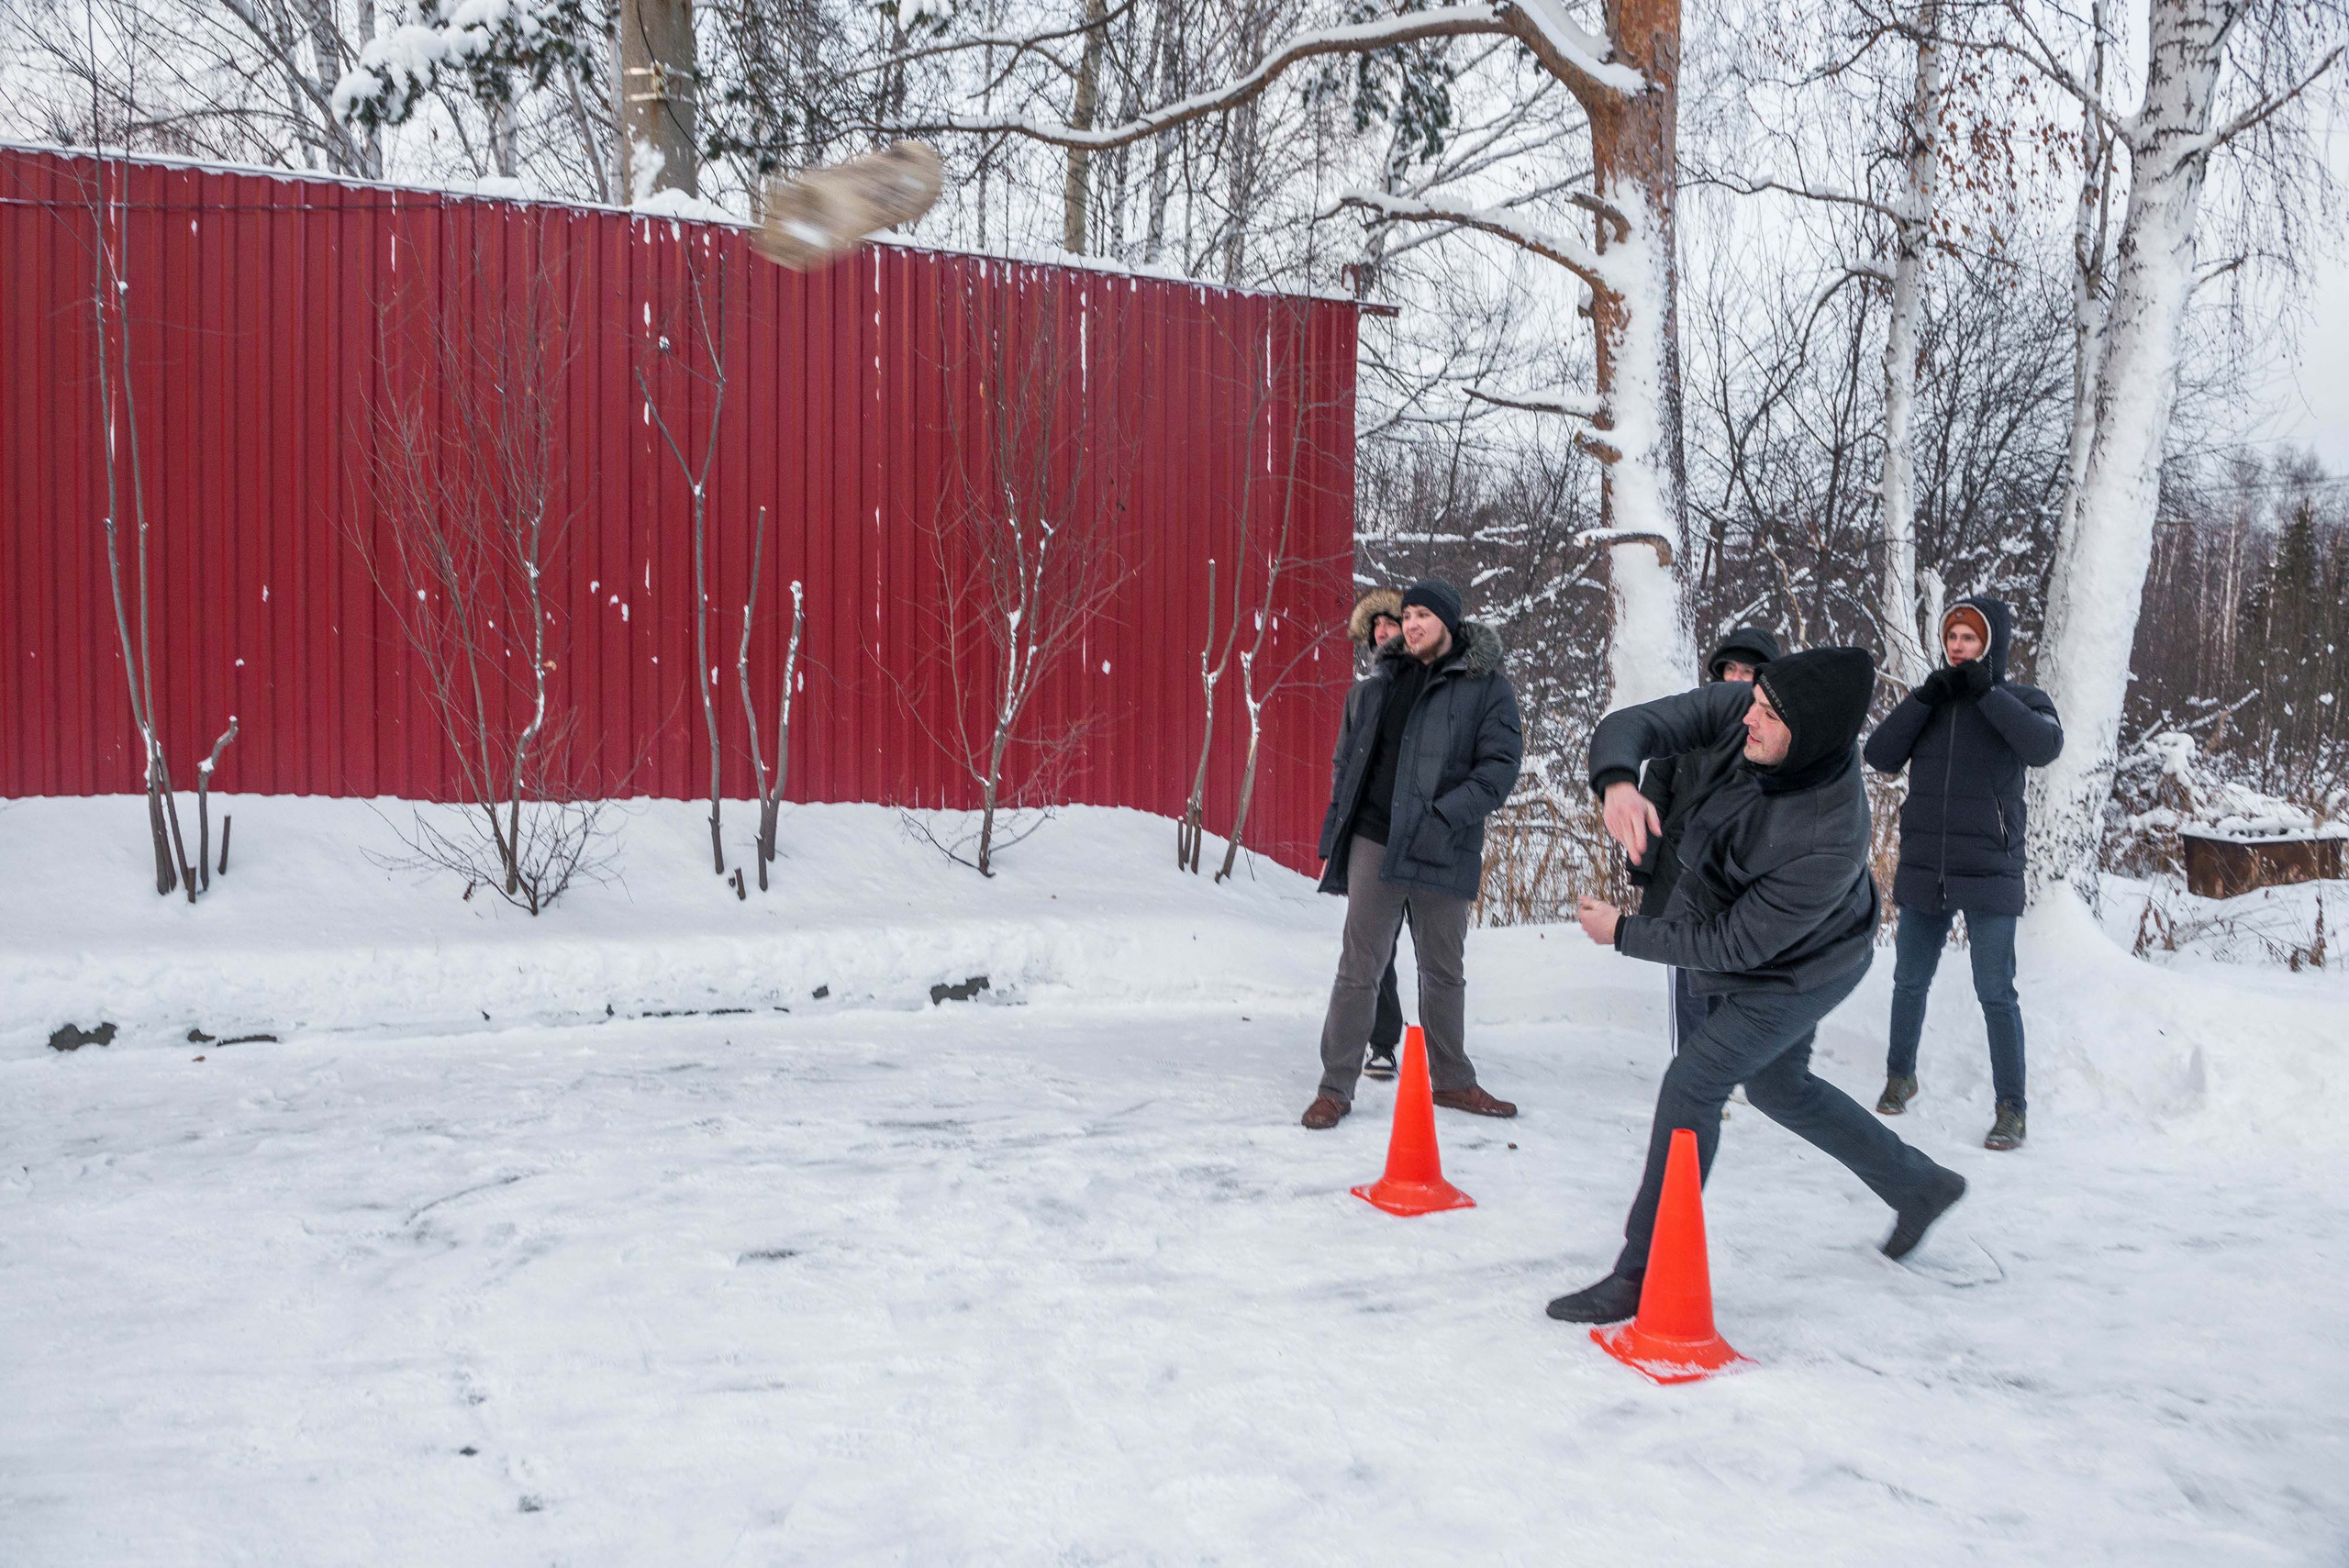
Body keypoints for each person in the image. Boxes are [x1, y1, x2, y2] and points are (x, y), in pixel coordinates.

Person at [1546, 647, 1967, 1324]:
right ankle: (1919, 1186)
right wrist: (1618, 781)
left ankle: (1641, 1273)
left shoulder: (1828, 833)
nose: (1750, 717)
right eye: (1755, 704)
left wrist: (1625, 932)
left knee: (1693, 1083)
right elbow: (1636, 724)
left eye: (1769, 715)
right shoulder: (1750, 712)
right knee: (1778, 1087)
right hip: (1752, 931)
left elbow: (1733, 946)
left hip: (1804, 968)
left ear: (1810, 737)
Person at [1303, 579, 1522, 1129]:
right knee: (1359, 969)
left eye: (1424, 614)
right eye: (1407, 615)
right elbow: (1345, 767)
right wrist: (1334, 833)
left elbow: (1499, 770)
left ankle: (1452, 1082)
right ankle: (1334, 1088)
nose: (1412, 624)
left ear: (1449, 621)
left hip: (1444, 843)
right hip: (1375, 840)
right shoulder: (1376, 686)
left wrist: (1446, 815)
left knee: (1443, 971)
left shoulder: (1487, 688)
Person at [1862, 597, 2064, 1151]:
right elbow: (1880, 754)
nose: (1958, 646)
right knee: (1909, 980)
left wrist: (1987, 693)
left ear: (1990, 643)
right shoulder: (1933, 701)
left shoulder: (2024, 700)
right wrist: (1924, 697)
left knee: (1995, 991)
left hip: (1991, 867)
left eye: (1969, 638)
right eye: (1952, 636)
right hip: (1927, 865)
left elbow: (2044, 746)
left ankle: (2012, 1109)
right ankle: (1900, 1076)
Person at [1628, 626, 1784, 1055]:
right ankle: (1690, 1070)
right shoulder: (1693, 719)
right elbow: (1655, 792)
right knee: (1688, 982)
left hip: (1742, 879)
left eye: (1748, 672)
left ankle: (1723, 1068)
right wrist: (1643, 863)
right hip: (1681, 874)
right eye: (1730, 669)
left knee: (1733, 980)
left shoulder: (1778, 734)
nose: (1736, 679)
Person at [1344, 587, 1410, 1083]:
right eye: (1376, 628)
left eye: (1390, 623)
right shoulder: (1362, 695)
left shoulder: (1431, 687)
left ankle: (1445, 1058)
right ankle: (1382, 1042)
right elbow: (1344, 763)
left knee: (1435, 953)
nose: (1382, 632)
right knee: (1373, 948)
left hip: (1426, 835)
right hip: (1372, 834)